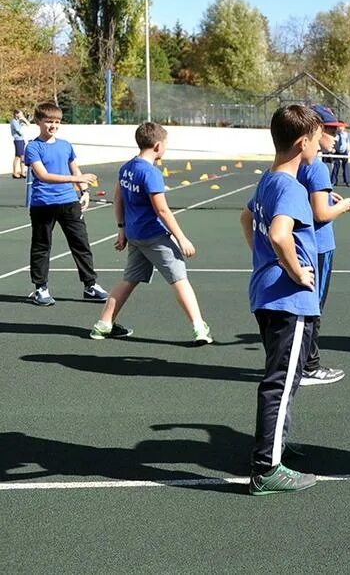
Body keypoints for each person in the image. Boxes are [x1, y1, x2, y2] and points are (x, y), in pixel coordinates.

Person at [240, 104, 322, 495]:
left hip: (266, 294)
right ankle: (267, 468)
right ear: (303, 142)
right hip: (288, 301)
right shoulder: (291, 187)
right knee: (281, 382)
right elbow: (278, 234)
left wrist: (264, 262)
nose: (321, 146)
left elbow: (246, 220)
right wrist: (294, 270)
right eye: (318, 139)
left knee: (284, 380)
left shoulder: (268, 180)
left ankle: (276, 447)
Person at [89, 122, 212, 344]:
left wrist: (121, 229)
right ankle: (199, 328)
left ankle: (103, 324)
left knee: (129, 279)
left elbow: (118, 199)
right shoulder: (151, 173)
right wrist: (181, 238)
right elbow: (162, 210)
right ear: (157, 145)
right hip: (154, 236)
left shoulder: (126, 167)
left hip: (135, 235)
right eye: (165, 144)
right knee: (180, 279)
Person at [24, 101, 108, 307]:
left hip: (69, 202)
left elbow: (74, 170)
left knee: (81, 244)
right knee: (42, 246)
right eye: (48, 121)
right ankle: (40, 288)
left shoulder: (65, 145)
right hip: (43, 204)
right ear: (38, 121)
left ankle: (90, 285)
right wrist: (75, 181)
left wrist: (85, 191)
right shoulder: (33, 147)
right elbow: (43, 175)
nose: (53, 125)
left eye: (57, 122)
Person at [297, 105, 350, 385]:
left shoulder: (294, 163)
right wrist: (342, 207)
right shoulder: (317, 167)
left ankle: (299, 364)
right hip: (318, 247)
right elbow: (320, 214)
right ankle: (309, 366)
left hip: (302, 246)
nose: (335, 135)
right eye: (330, 130)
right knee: (313, 307)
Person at [10, 109, 28, 179]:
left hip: (21, 140)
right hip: (18, 140)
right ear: (16, 114)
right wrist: (21, 133)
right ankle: (14, 173)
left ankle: (22, 172)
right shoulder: (14, 121)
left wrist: (23, 118)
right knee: (17, 157)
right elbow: (18, 130)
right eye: (20, 114)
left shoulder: (18, 121)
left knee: (22, 156)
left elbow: (28, 124)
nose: (21, 115)